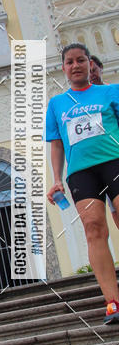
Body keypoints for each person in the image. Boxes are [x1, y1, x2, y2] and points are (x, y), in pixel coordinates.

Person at [45, 44, 119, 324]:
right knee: (94, 229)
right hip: (81, 173)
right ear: (63, 67)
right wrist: (56, 180)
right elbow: (56, 144)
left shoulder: (110, 92)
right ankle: (112, 301)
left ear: (90, 64)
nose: (75, 65)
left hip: (114, 161)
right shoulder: (57, 104)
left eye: (81, 60)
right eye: (69, 62)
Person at [88, 54, 119, 231]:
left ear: (101, 69)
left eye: (94, 70)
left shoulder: (114, 91)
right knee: (114, 207)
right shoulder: (86, 101)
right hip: (105, 159)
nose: (92, 74)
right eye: (89, 72)